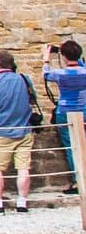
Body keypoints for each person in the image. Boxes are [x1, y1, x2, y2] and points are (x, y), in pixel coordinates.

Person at [0, 49, 37, 213]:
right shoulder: (24, 80)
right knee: (23, 167)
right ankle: (22, 202)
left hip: (1, 131)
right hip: (24, 130)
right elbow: (32, 101)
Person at [44, 40, 86, 194]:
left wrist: (46, 58)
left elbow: (46, 75)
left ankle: (78, 181)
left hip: (65, 111)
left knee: (71, 146)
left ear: (63, 57)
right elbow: (81, 65)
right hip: (84, 110)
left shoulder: (59, 74)